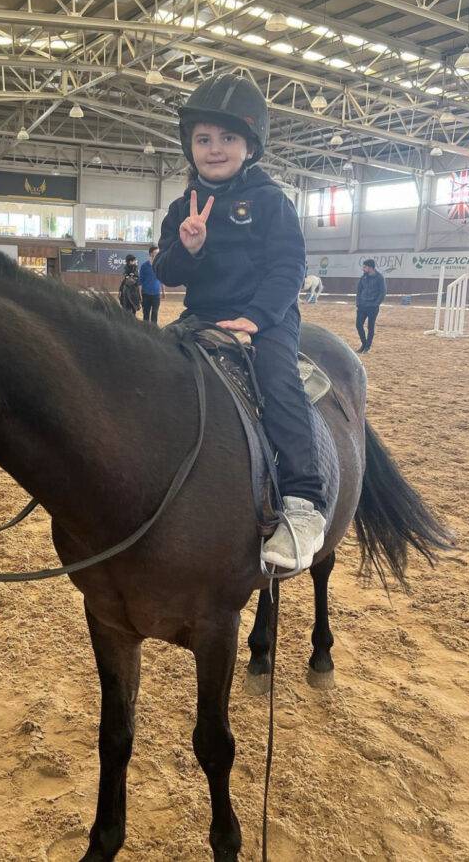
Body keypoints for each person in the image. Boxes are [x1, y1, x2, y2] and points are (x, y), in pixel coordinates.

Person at [154, 73, 325, 573]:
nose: (214, 148)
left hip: (266, 318)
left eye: (228, 138)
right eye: (204, 139)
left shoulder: (272, 201)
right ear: (190, 145)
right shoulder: (179, 208)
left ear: (250, 147)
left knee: (279, 383)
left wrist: (254, 319)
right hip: (202, 316)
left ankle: (302, 503)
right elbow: (166, 272)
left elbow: (288, 267)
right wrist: (188, 248)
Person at [355, 259, 386, 354]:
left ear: (370, 267)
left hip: (372, 307)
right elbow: (359, 291)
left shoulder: (380, 278)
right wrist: (358, 302)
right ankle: (364, 344)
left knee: (370, 327)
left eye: (365, 267)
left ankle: (367, 347)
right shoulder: (363, 277)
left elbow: (383, 292)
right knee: (358, 325)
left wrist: (376, 304)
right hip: (362, 306)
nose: (363, 269)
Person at [139, 245, 164, 323]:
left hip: (156, 294)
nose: (157, 255)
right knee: (146, 314)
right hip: (146, 294)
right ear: (150, 254)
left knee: (155, 314)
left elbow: (161, 279)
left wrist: (163, 291)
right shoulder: (144, 266)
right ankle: (145, 331)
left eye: (158, 253)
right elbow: (140, 282)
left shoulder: (160, 265)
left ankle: (154, 331)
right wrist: (140, 294)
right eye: (155, 253)